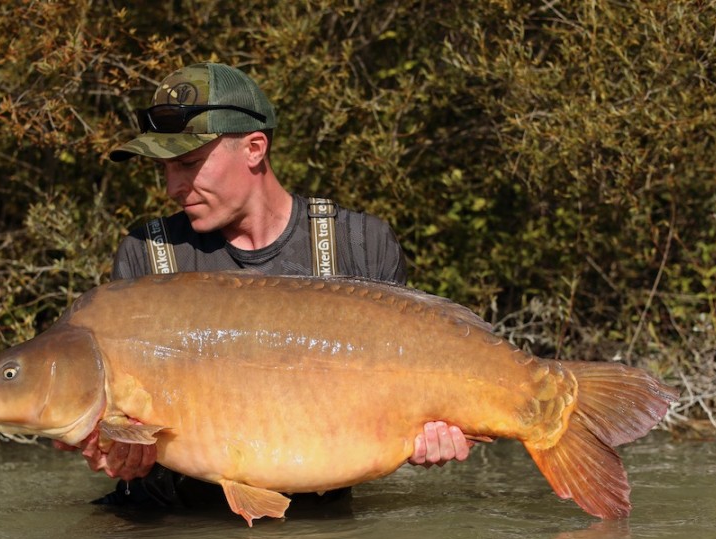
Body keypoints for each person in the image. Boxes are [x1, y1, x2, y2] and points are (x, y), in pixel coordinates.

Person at [56, 62, 473, 511]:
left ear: (254, 148)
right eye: (164, 169)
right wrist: (119, 451)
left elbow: (406, 399)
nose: (173, 186)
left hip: (321, 531)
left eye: (188, 164)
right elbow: (124, 423)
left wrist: (432, 437)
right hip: (173, 529)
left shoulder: (361, 244)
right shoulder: (146, 257)